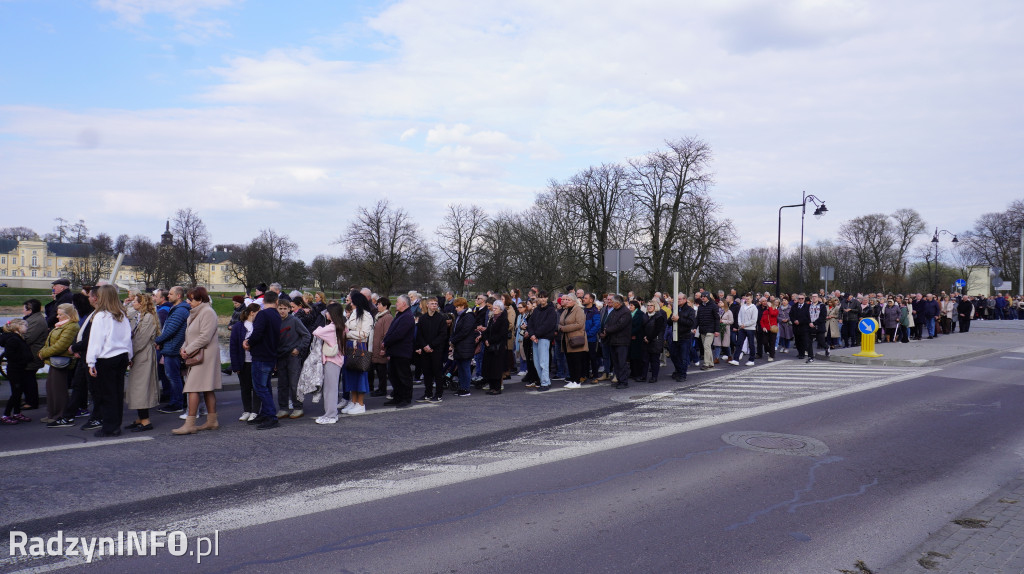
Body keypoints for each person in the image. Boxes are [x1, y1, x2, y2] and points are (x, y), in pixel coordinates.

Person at [172, 287, 222, 435]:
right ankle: (212, 421)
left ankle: (190, 423)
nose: (188, 302)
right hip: (198, 353)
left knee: (192, 387)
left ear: (200, 299)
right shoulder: (196, 312)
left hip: (205, 355)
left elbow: (205, 337)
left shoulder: (207, 312)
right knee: (206, 387)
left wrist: (187, 350)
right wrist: (184, 347)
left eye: (191, 299)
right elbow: (190, 336)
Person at [86, 285, 133, 437]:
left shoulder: (101, 316)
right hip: (121, 356)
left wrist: (91, 361)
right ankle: (115, 424)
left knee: (107, 394)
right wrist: (129, 356)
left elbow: (96, 341)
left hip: (107, 358)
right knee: (117, 393)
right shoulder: (121, 314)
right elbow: (128, 338)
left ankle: (109, 427)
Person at [243, 290, 282, 430]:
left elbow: (257, 333)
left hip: (261, 354)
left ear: (264, 301)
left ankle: (271, 416)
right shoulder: (277, 315)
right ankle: (266, 413)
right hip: (271, 353)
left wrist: (248, 342)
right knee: (265, 386)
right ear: (277, 301)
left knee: (260, 387)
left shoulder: (263, 314)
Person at [37, 303, 80, 423]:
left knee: (58, 390)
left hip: (61, 361)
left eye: (60, 314)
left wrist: (43, 353)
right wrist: (43, 351)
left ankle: (59, 415)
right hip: (55, 360)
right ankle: (52, 413)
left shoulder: (71, 327)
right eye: (58, 314)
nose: (57, 316)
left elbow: (61, 346)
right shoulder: (62, 325)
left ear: (68, 315)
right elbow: (51, 342)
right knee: (51, 389)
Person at [124, 293, 160, 432]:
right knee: (137, 387)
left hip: (143, 356)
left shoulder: (149, 318)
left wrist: (129, 356)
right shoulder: (140, 315)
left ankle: (146, 421)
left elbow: (140, 340)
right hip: (139, 356)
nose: (133, 303)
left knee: (142, 388)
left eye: (135, 301)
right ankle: (140, 417)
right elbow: (126, 314)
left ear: (142, 303)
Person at [154, 286, 189, 414]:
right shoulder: (177, 308)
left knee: (173, 377)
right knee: (174, 376)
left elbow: (170, 330)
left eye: (171, 294)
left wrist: (157, 340)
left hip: (173, 348)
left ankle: (177, 403)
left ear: (178, 296)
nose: (168, 296)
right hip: (171, 347)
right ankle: (178, 401)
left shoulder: (180, 310)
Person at [275, 297, 311, 419]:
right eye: (280, 308)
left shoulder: (295, 321)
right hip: (280, 356)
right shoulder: (275, 321)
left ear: (290, 309)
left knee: (294, 383)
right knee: (282, 384)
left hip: (293, 356)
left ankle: (298, 407)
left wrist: (299, 349)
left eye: (285, 309)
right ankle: (283, 408)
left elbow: (306, 335)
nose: (282, 311)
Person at [312, 302, 346, 423]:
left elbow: (316, 332)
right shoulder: (340, 325)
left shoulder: (332, 327)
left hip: (332, 360)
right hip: (336, 360)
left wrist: (320, 326)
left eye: (328, 312)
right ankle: (330, 414)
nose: (326, 313)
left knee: (330, 389)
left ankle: (331, 415)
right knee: (330, 389)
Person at [341, 290, 374, 414]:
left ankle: (360, 403)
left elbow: (365, 333)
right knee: (350, 374)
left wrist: (348, 334)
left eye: (351, 301)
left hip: (359, 346)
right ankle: (353, 401)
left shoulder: (366, 315)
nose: (350, 303)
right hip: (350, 345)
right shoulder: (355, 313)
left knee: (359, 374)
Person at [382, 294, 415, 407]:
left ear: (404, 304)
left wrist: (386, 342)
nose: (396, 303)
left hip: (402, 351)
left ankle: (406, 398)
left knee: (403, 376)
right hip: (395, 351)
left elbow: (399, 334)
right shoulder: (401, 315)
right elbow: (391, 331)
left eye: (398, 302)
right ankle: (397, 396)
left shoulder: (407, 316)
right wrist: (385, 341)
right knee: (394, 376)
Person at [230, 303, 261, 422]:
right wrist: (235, 365)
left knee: (257, 387)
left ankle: (255, 411)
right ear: (252, 313)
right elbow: (233, 347)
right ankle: (247, 410)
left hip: (256, 361)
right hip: (243, 362)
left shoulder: (258, 326)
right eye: (258, 312)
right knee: (245, 388)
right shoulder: (238, 326)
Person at [0, 319, 34, 424]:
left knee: (19, 391)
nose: (27, 328)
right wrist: (25, 358)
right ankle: (6, 414)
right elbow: (10, 355)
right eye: (25, 326)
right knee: (16, 392)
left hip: (19, 369)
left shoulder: (18, 338)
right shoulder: (13, 340)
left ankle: (17, 412)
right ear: (18, 327)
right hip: (15, 370)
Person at [415, 296, 448, 402]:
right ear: (427, 305)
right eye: (432, 303)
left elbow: (443, 335)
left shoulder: (441, 318)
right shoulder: (423, 318)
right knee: (427, 373)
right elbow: (419, 334)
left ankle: (438, 394)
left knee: (437, 373)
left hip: (436, 350)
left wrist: (431, 346)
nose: (434, 305)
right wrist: (424, 346)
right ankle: (428, 393)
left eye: (435, 303)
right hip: (425, 350)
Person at [526, 290, 558, 391]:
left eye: (544, 297)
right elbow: (530, 323)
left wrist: (536, 334)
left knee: (543, 362)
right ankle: (545, 380)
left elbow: (548, 325)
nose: (542, 299)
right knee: (536, 362)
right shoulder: (536, 310)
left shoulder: (551, 310)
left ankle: (544, 383)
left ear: (547, 298)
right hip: (535, 338)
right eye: (540, 297)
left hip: (544, 338)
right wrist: (532, 334)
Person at [20, 299, 47, 411]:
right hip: (31, 353)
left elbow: (28, 338)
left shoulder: (36, 321)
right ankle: (29, 400)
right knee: (27, 377)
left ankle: (32, 402)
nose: (23, 310)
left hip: (33, 354)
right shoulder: (34, 319)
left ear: (30, 310)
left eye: (24, 308)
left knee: (29, 378)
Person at [557, 293, 588, 388]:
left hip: (575, 339)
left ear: (574, 301)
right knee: (569, 361)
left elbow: (579, 324)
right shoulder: (566, 311)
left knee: (576, 361)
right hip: (566, 340)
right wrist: (559, 327)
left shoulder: (578, 310)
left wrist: (564, 328)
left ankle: (577, 381)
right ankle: (572, 379)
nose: (566, 301)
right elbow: (560, 322)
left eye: (568, 300)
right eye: (565, 300)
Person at [601, 294, 632, 389]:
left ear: (618, 303)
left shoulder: (625, 312)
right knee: (616, 362)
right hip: (613, 340)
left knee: (622, 362)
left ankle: (623, 381)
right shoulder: (614, 311)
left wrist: (607, 330)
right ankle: (619, 379)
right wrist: (605, 329)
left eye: (613, 302)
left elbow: (620, 325)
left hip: (622, 341)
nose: (611, 304)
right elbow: (608, 322)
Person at [450, 297, 477, 396]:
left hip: (465, 346)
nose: (456, 309)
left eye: (457, 307)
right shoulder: (460, 316)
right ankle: (462, 387)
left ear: (462, 306)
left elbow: (464, 331)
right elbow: (455, 329)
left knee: (465, 367)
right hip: (460, 346)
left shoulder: (469, 316)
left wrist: (453, 340)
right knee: (460, 368)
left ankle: (466, 389)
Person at [481, 300, 509, 394]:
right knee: (489, 367)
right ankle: (491, 386)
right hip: (490, 347)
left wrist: (490, 340)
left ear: (501, 310)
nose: (494, 310)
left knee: (496, 368)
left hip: (498, 347)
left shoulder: (504, 320)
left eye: (496, 308)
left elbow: (502, 334)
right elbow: (487, 330)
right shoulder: (492, 319)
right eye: (493, 308)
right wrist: (484, 339)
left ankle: (497, 388)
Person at [667, 293, 696, 382]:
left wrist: (679, 319)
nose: (678, 301)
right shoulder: (675, 309)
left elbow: (691, 323)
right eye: (677, 299)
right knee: (673, 354)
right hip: (675, 336)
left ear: (684, 300)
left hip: (685, 336)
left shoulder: (690, 310)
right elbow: (669, 322)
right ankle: (678, 370)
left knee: (684, 356)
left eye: (679, 299)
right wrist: (671, 318)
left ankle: (682, 374)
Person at [370, 297, 393, 398]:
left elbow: (386, 334)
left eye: (379, 304)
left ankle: (382, 389)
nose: (377, 306)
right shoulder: (379, 316)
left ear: (385, 306)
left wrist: (384, 349)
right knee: (379, 370)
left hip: (381, 348)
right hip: (376, 347)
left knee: (382, 370)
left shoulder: (387, 317)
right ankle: (380, 388)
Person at [729, 295, 758, 366]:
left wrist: (745, 324)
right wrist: (740, 324)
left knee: (751, 344)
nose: (747, 300)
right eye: (746, 299)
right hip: (742, 328)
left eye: (748, 299)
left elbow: (754, 320)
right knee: (739, 343)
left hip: (750, 328)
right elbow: (739, 316)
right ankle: (736, 359)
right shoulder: (742, 307)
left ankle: (751, 359)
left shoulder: (754, 308)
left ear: (751, 299)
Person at [641, 300, 666, 383]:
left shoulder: (659, 316)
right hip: (646, 340)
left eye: (651, 305)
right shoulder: (645, 316)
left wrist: (649, 338)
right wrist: (644, 337)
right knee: (645, 359)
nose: (649, 307)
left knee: (654, 360)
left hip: (655, 341)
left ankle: (654, 376)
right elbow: (643, 327)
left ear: (655, 307)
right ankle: (643, 376)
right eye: (648, 305)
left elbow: (657, 330)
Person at [696, 293, 717, 370]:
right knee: (707, 347)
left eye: (704, 296)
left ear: (708, 297)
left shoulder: (713, 306)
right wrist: (695, 327)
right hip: (702, 329)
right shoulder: (701, 306)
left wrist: (717, 330)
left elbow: (717, 319)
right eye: (702, 296)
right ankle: (711, 363)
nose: (703, 298)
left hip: (710, 329)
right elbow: (698, 318)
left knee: (706, 346)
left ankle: (706, 363)